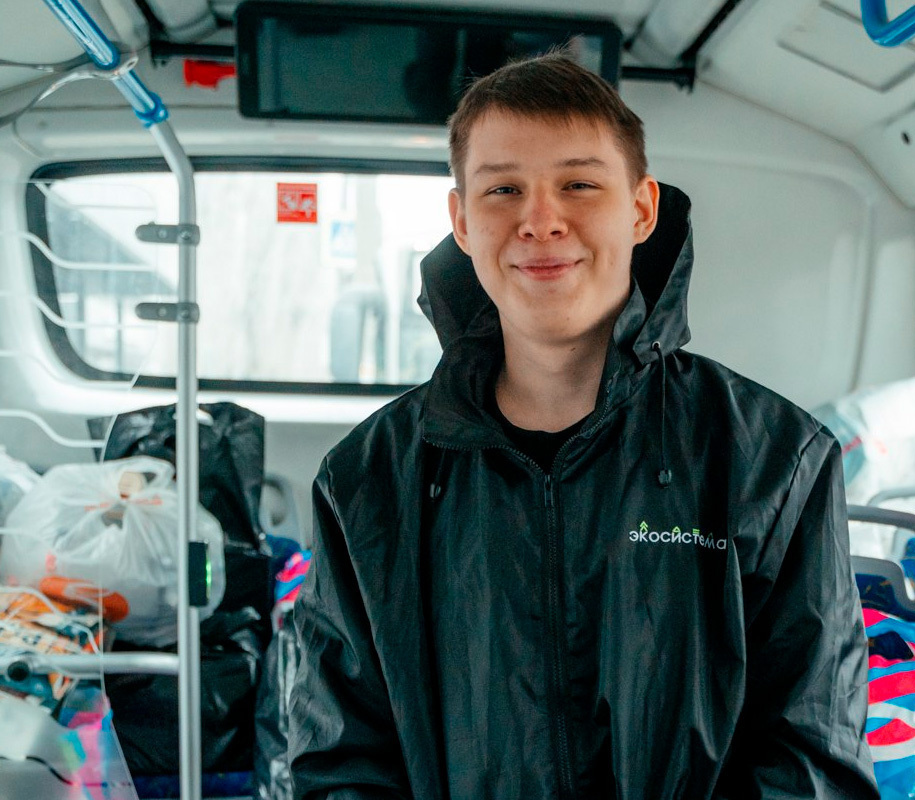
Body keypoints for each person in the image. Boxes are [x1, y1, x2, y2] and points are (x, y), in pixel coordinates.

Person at [289, 53, 879, 799]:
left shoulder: (774, 462)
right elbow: (341, 763)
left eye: (578, 184)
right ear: (462, 221)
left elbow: (811, 758)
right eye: (504, 189)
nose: (541, 221)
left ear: (641, 210)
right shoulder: (366, 479)